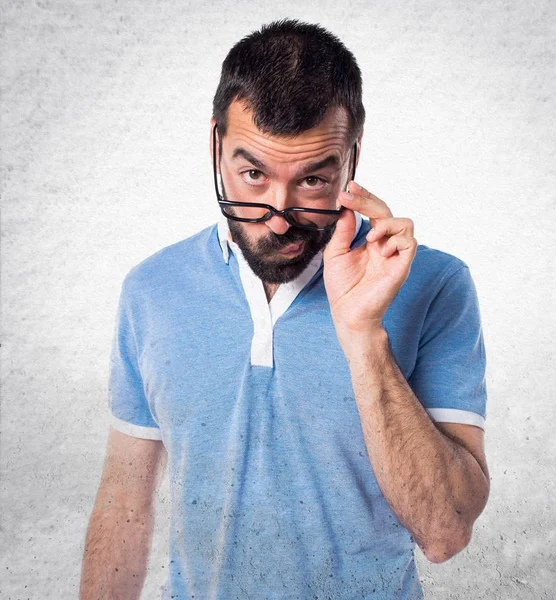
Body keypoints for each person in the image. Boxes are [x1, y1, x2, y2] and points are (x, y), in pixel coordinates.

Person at [79, 19, 490, 600]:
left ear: (353, 159)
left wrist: (364, 333)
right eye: (253, 174)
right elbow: (125, 500)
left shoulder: (436, 283)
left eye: (314, 180)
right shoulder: (152, 290)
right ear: (215, 145)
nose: (279, 213)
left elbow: (446, 534)